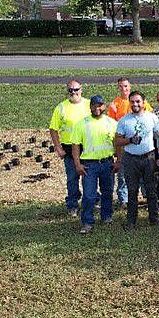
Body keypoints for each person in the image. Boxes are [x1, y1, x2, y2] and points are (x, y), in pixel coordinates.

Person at [114, 90, 159, 228]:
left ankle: (154, 219)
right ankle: (131, 220)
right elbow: (117, 141)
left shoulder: (151, 117)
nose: (135, 104)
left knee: (151, 189)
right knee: (132, 190)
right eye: (132, 102)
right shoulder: (124, 121)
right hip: (131, 159)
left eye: (138, 101)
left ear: (143, 102)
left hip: (149, 157)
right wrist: (130, 140)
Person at [70, 95, 117, 234]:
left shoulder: (111, 123)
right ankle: (87, 222)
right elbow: (75, 145)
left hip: (107, 163)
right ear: (90, 107)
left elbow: (118, 144)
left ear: (104, 106)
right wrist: (77, 164)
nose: (97, 108)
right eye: (94, 105)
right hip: (89, 165)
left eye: (100, 105)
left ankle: (107, 217)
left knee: (107, 193)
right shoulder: (81, 124)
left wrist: (118, 161)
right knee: (89, 195)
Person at [107, 77, 152, 209]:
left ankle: (146, 197)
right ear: (118, 88)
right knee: (123, 172)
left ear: (130, 87)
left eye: (125, 86)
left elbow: (148, 116)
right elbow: (112, 124)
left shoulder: (141, 102)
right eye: (121, 86)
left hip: (140, 142)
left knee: (144, 173)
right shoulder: (115, 104)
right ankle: (124, 199)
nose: (123, 89)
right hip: (124, 142)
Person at [48, 79, 90, 217]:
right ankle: (72, 205)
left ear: (81, 89)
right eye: (70, 90)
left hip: (87, 148)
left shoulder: (89, 105)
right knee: (72, 178)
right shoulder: (61, 107)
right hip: (69, 148)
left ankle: (92, 201)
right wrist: (58, 148)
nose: (73, 93)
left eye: (76, 90)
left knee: (89, 177)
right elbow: (53, 129)